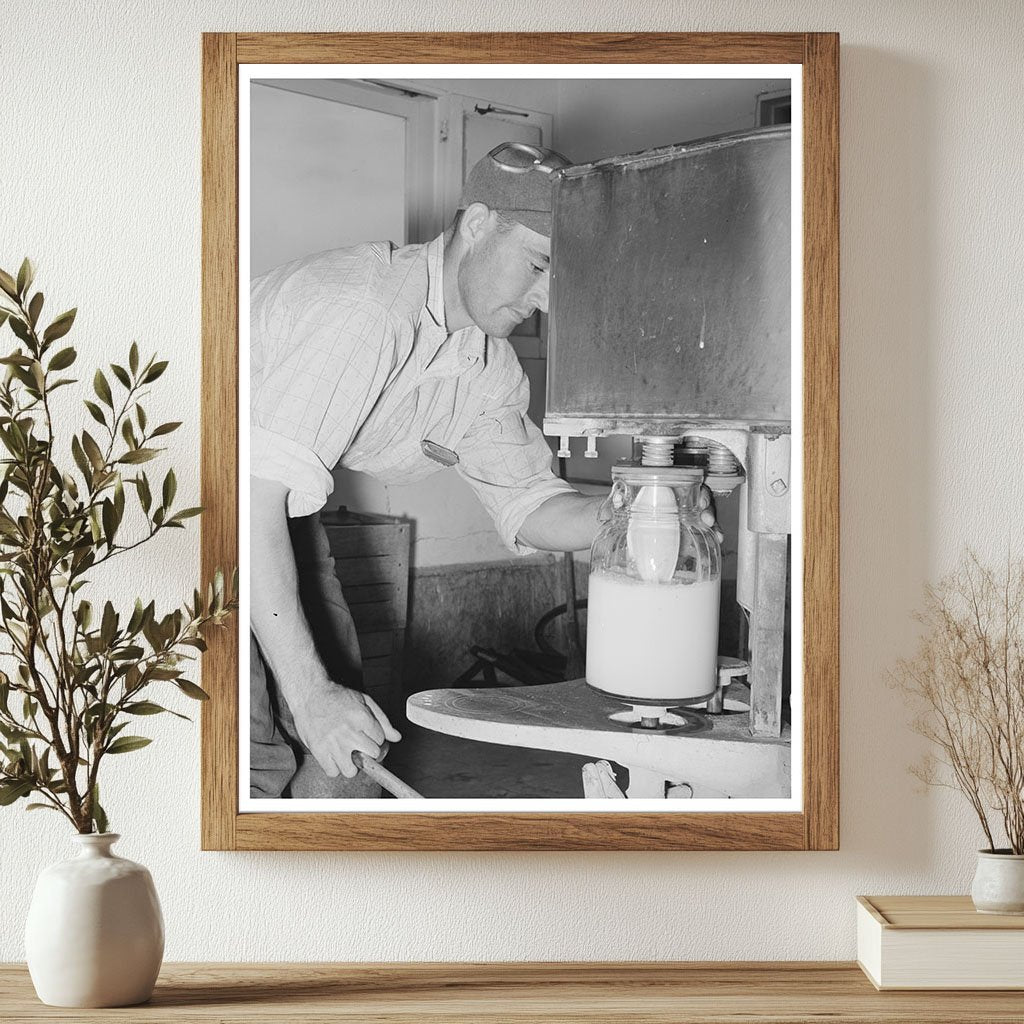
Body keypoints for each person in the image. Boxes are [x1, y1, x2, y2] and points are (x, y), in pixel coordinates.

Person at [249, 142, 717, 799]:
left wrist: (640, 512)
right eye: (538, 263)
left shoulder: (485, 364)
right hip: (192, 501)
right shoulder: (369, 311)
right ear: (476, 224)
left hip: (280, 511)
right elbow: (250, 499)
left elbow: (530, 503)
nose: (548, 299)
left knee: (350, 748)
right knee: (255, 752)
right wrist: (309, 693)